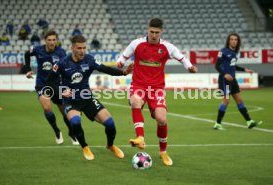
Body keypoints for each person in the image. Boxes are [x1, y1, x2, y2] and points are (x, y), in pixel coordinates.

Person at [116, 18, 197, 166]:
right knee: (135, 101)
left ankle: (163, 152)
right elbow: (123, 57)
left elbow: (182, 58)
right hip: (138, 84)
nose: (153, 35)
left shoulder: (168, 47)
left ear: (161, 32)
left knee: (161, 119)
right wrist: (120, 62)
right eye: (151, 32)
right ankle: (140, 137)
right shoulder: (136, 43)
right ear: (147, 30)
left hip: (157, 88)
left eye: (157, 32)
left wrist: (190, 67)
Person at [46, 35, 133, 160]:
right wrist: (60, 91)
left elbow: (105, 69)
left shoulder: (89, 60)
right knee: (75, 122)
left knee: (110, 123)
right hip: (71, 101)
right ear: (72, 48)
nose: (82, 51)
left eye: (84, 48)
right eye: (79, 48)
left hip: (87, 98)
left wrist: (123, 73)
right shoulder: (62, 63)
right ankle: (85, 146)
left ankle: (110, 145)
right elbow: (49, 82)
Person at [23, 29, 78, 145]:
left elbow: (66, 69)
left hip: (58, 84)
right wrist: (28, 70)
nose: (52, 42)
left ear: (56, 41)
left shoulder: (61, 52)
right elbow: (26, 54)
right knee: (47, 108)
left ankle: (71, 133)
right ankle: (57, 131)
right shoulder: (38, 50)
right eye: (49, 40)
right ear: (45, 41)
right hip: (42, 84)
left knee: (65, 112)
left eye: (54, 40)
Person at [214, 32, 262, 130]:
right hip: (225, 80)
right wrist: (225, 74)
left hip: (233, 80)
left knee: (239, 100)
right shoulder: (223, 51)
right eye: (231, 39)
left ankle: (249, 122)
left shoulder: (235, 53)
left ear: (238, 41)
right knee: (226, 101)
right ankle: (217, 124)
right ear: (228, 41)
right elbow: (217, 65)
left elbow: (233, 65)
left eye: (235, 39)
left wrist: (245, 70)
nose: (234, 41)